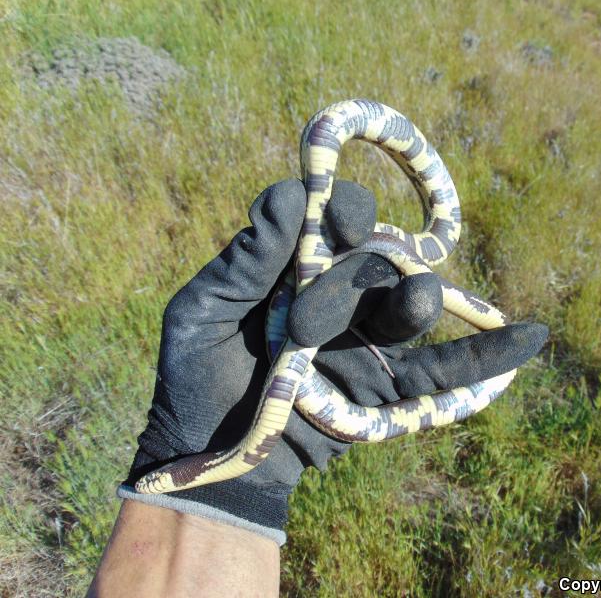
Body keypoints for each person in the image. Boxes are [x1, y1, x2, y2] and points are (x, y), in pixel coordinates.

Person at [87, 179, 548, 597]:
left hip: (267, 419)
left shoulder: (189, 464)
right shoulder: (229, 459)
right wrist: (230, 504)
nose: (151, 485)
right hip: (285, 428)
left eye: (159, 482)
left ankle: (389, 253)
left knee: (366, 264)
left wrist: (184, 487)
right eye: (161, 482)